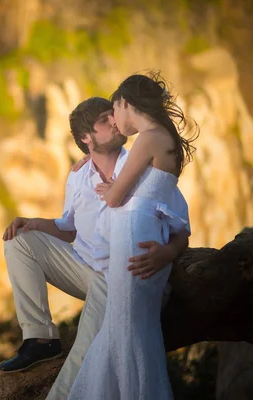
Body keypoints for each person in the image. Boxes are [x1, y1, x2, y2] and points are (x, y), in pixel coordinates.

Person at [0, 96, 191, 400]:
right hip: (84, 268)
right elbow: (69, 228)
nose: (115, 122)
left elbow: (181, 230)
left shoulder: (143, 164)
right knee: (19, 240)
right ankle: (40, 339)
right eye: (105, 119)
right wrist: (34, 223)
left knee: (84, 352)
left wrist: (167, 253)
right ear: (87, 138)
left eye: (112, 115)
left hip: (120, 277)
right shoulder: (78, 176)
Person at [67, 73, 198, 400]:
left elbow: (114, 199)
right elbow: (143, 192)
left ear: (126, 103)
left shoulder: (147, 139)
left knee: (127, 329)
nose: (113, 120)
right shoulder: (161, 136)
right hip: (140, 233)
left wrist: (111, 188)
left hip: (134, 236)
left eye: (114, 110)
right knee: (125, 328)